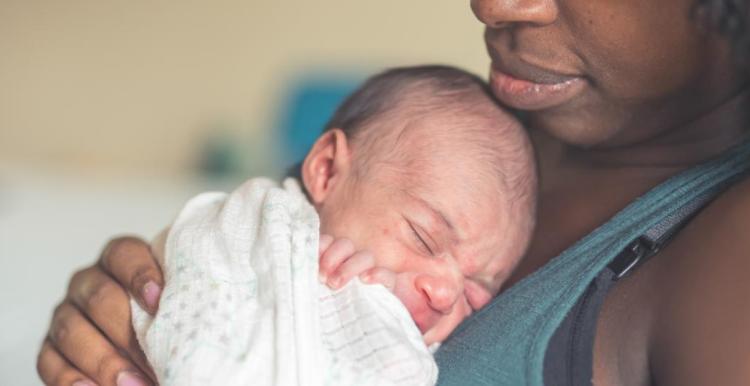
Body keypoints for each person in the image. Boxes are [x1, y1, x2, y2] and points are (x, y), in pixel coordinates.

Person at [37, 0, 750, 385]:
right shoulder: (457, 136)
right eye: (424, 236)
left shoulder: (727, 251)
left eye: (479, 290)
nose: (493, 6)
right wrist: (120, 314)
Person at [129, 65, 536, 386]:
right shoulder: (261, 226)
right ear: (326, 171)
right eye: (423, 238)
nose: (446, 294)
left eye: (476, 294)